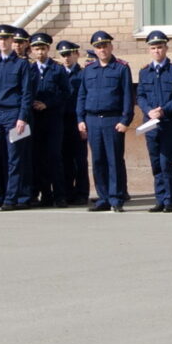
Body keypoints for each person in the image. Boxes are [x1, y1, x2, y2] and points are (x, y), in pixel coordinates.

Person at [75, 31, 132, 213]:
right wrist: (80, 119)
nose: (102, 50)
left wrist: (125, 120)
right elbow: (82, 95)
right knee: (98, 160)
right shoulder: (89, 70)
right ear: (94, 49)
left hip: (113, 120)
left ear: (111, 46)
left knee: (113, 160)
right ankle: (103, 197)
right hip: (92, 120)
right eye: (98, 47)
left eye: (105, 46)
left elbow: (128, 97)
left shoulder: (121, 68)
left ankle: (116, 198)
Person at [0, 25, 34, 211]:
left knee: (14, 158)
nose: (3, 42)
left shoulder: (22, 64)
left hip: (14, 116)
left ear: (12, 41)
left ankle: (11, 199)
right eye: (0, 39)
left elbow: (27, 93)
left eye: (6, 39)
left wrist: (22, 117)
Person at [136, 30, 172, 212]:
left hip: (168, 123)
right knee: (155, 162)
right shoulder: (144, 72)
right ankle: (160, 199)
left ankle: (170, 200)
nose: (157, 51)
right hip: (150, 123)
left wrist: (164, 111)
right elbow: (140, 95)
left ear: (166, 48)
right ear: (149, 50)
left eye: (160, 47)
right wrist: (149, 110)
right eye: (153, 48)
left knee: (166, 162)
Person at [25, 32, 70, 207]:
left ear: (48, 49)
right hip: (34, 120)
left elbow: (66, 93)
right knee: (37, 158)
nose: (40, 52)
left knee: (54, 157)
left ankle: (59, 195)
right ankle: (45, 194)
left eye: (43, 48)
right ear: (32, 50)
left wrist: (47, 104)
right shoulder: (29, 70)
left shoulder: (57, 69)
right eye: (36, 49)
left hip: (52, 120)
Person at [55, 41, 89, 207]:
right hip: (61, 120)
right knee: (64, 158)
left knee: (80, 159)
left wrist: (82, 121)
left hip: (77, 120)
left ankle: (82, 193)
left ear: (77, 54)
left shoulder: (83, 74)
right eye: (63, 55)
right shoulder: (58, 73)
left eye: (69, 54)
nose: (66, 58)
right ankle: (67, 192)